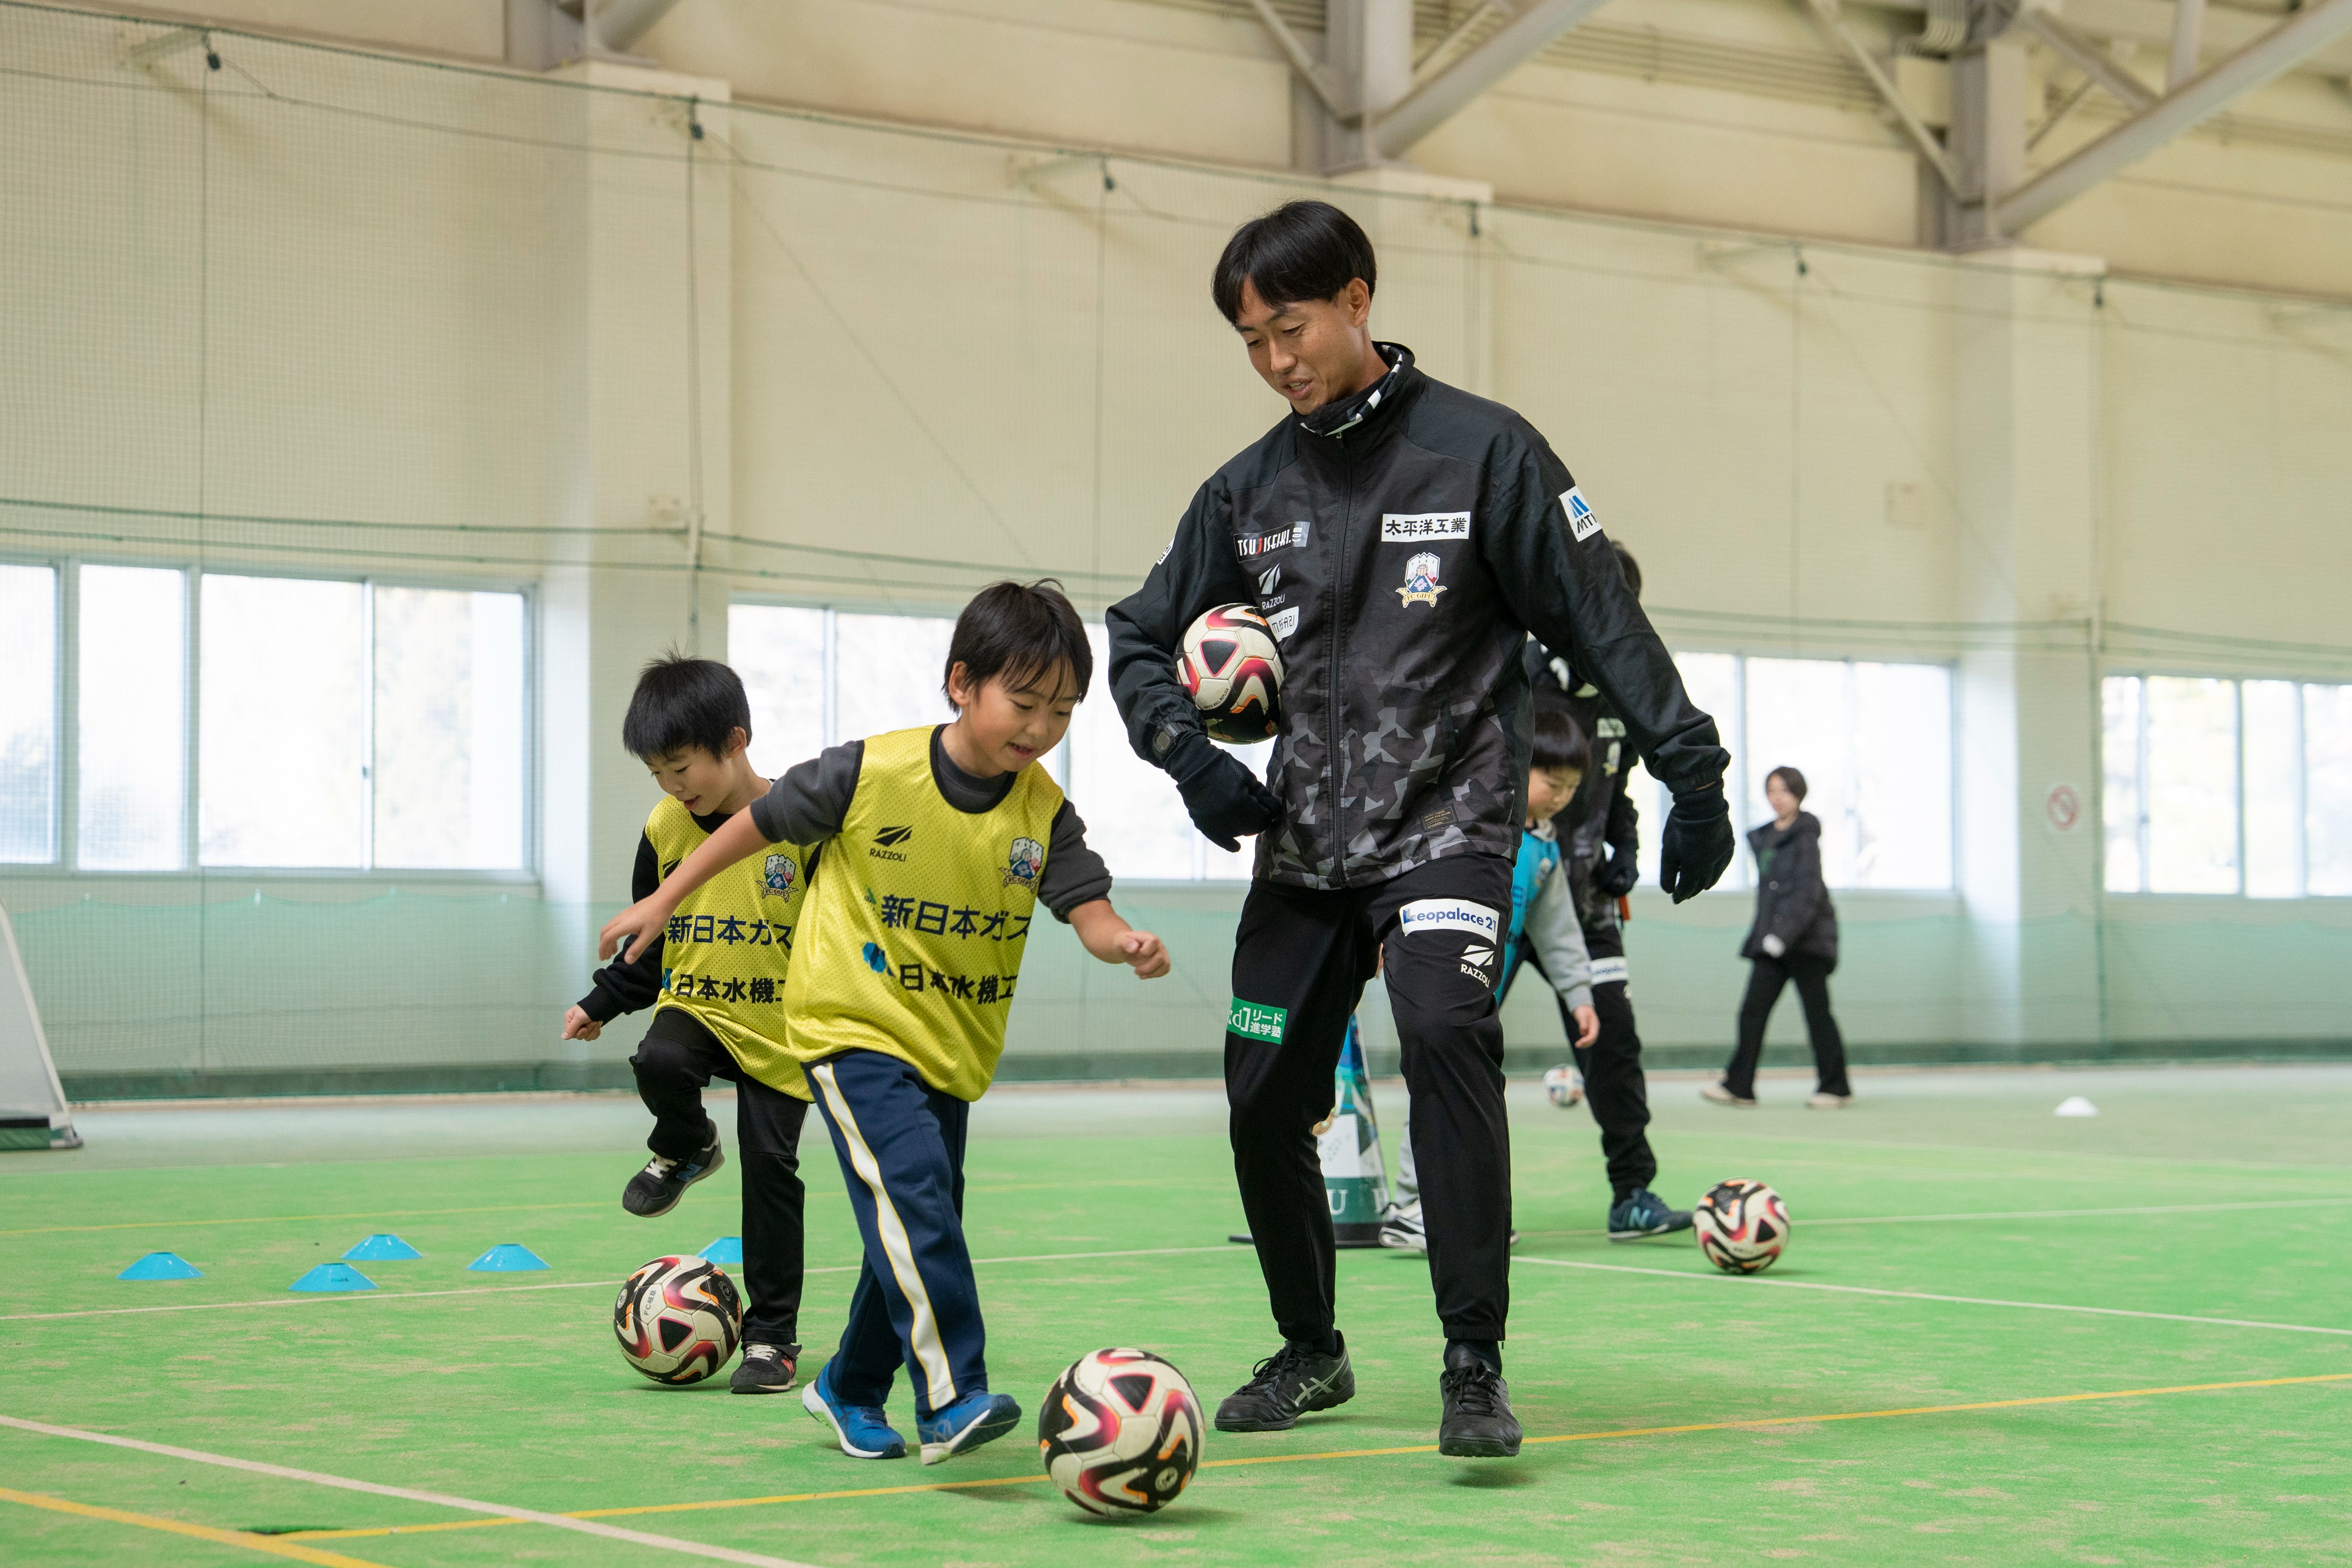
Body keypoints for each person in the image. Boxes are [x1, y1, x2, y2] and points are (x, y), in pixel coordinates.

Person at [1106, 199, 1734, 1460]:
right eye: (1249, 343)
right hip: (1304, 839)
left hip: (1451, 814)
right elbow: (1132, 634)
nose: (1276, 360)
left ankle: (1470, 1360)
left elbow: (1596, 613)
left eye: (1289, 327)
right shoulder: (1244, 491)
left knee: (1445, 1031)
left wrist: (1689, 762)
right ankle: (1309, 1345)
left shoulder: (1483, 455)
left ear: (1355, 297)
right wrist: (1190, 760)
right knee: (1260, 1091)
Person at [597, 580, 1168, 1466]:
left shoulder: (1042, 811)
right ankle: (951, 1395)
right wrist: (664, 900)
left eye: (1062, 711)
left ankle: (848, 1385)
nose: (1040, 727)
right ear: (961, 682)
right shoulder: (870, 772)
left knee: (916, 1209)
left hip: (951, 1044)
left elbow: (1084, 904)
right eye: (1024, 703)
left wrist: (1120, 940)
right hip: (847, 1024)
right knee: (913, 1194)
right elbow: (751, 825)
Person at [564, 653, 819, 1395]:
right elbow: (651, 938)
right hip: (699, 1005)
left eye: (682, 769)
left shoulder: (800, 825)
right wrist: (601, 1001)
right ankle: (685, 1145)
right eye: (659, 776)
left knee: (772, 1175)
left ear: (735, 740)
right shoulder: (665, 827)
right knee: (658, 1061)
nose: (674, 789)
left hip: (783, 1031)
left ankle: (772, 1340)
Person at [1380, 707, 1601, 1253]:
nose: (1562, 796)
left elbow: (1559, 930)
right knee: (1435, 1083)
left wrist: (1579, 994)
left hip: (1481, 994)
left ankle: (1454, 1208)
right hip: (1433, 978)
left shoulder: (1544, 848)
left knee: (1471, 1095)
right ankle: (1411, 1205)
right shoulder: (1474, 826)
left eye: (1573, 787)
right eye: (1554, 781)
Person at [1524, 546, 1695, 1242]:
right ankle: (1432, 1202)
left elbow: (1617, 786)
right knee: (1457, 1043)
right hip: (1499, 897)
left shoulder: (1623, 688)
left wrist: (1626, 847)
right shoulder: (1515, 674)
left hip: (1586, 905)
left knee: (1613, 1044)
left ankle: (1632, 1192)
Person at [1704, 766, 1851, 1109]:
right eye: (1771, 790)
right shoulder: (1765, 837)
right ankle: (1739, 1085)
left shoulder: (1805, 835)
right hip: (1772, 942)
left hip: (1807, 942)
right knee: (1752, 1011)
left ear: (1798, 793)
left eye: (1783, 790)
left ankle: (1835, 1086)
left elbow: (1807, 891)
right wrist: (1768, 937)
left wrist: (1783, 936)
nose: (1776, 797)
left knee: (1818, 1014)